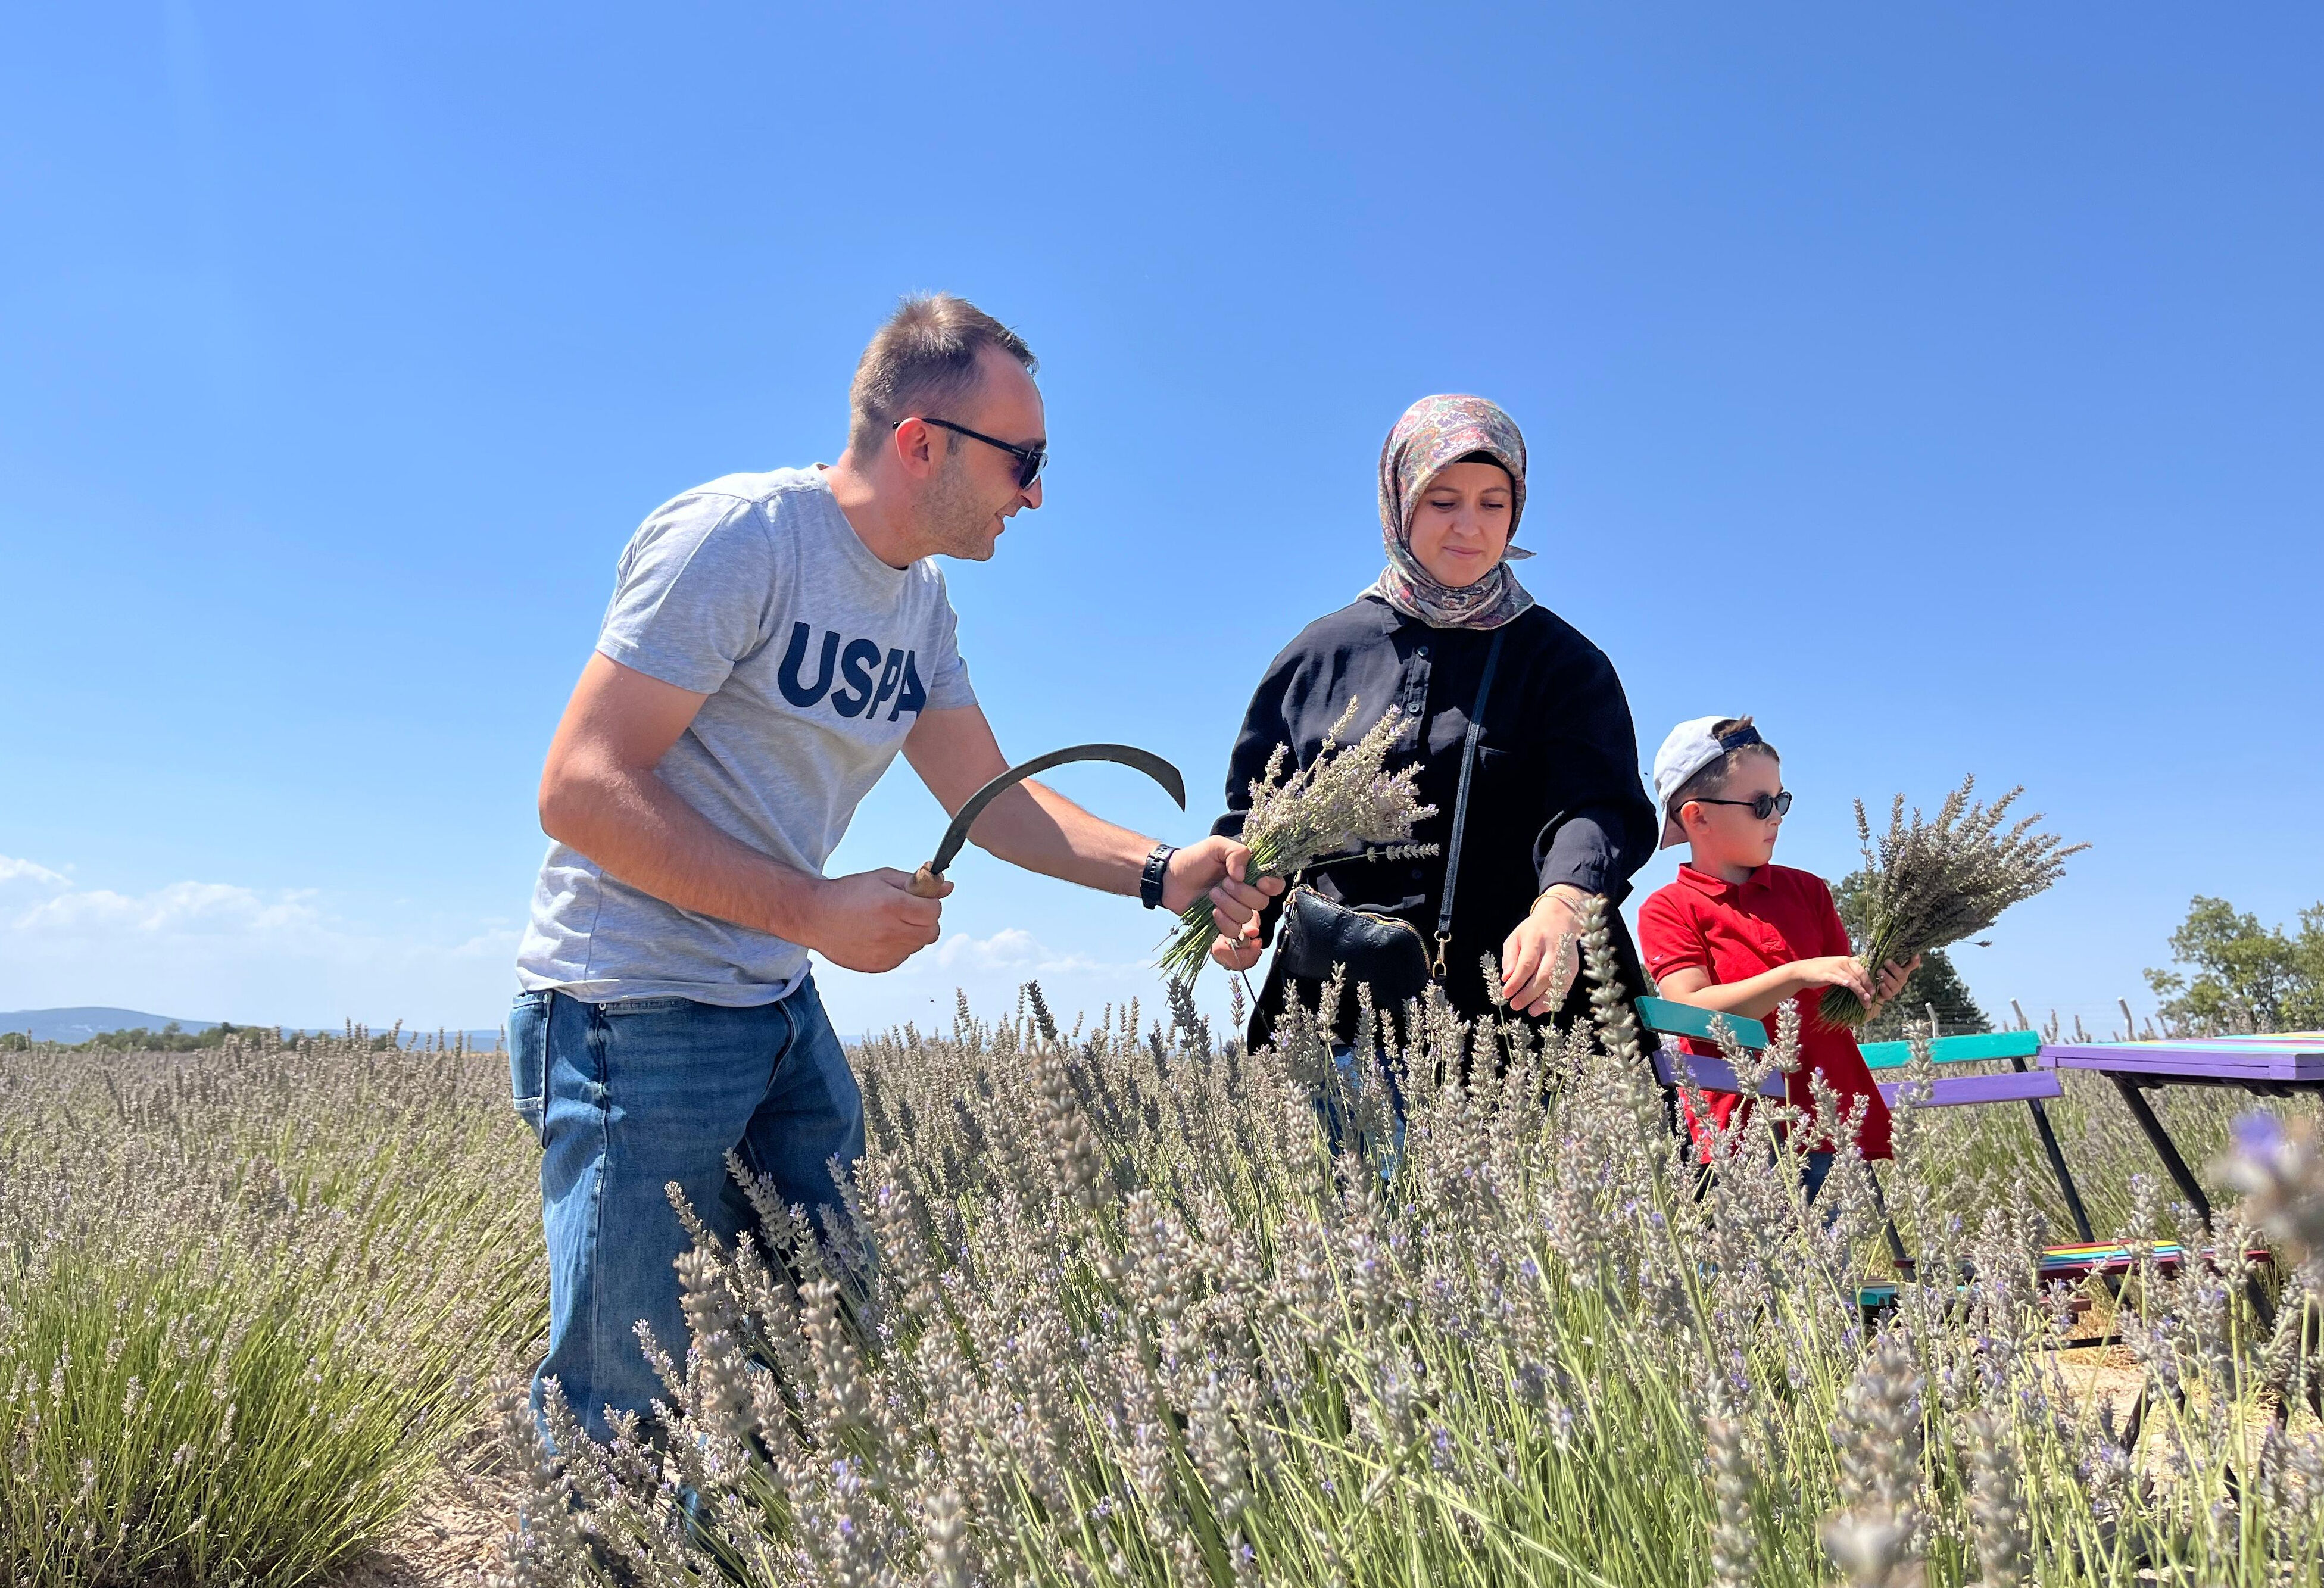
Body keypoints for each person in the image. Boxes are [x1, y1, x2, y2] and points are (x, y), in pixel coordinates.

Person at [510, 294, 1266, 1443]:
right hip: (631, 1007)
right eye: (1023, 461)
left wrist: (1163, 870)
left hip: (773, 1000)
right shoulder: (742, 538)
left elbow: (988, 797)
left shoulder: (919, 604)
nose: (1036, 494)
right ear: (920, 442)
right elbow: (580, 786)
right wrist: (812, 908)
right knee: (627, 1408)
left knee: (831, 1345)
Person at [1205, 394, 1658, 1050]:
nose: (1469, 526)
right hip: (1335, 1021)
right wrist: (1242, 909)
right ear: (1400, 502)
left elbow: (1600, 807)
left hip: (1522, 1018)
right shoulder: (1318, 654)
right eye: (1443, 501)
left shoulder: (1564, 663)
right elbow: (1257, 812)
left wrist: (1566, 901)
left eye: (1493, 504)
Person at [1635, 715, 1920, 1197]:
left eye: (1781, 800)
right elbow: (1689, 1010)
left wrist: (1872, 993)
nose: (1776, 816)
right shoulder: (1668, 908)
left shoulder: (1808, 891)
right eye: (1760, 804)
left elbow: (1838, 1015)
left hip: (1828, 1120)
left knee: (1832, 1249)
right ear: (1697, 817)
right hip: (1742, 1133)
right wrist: (1794, 974)